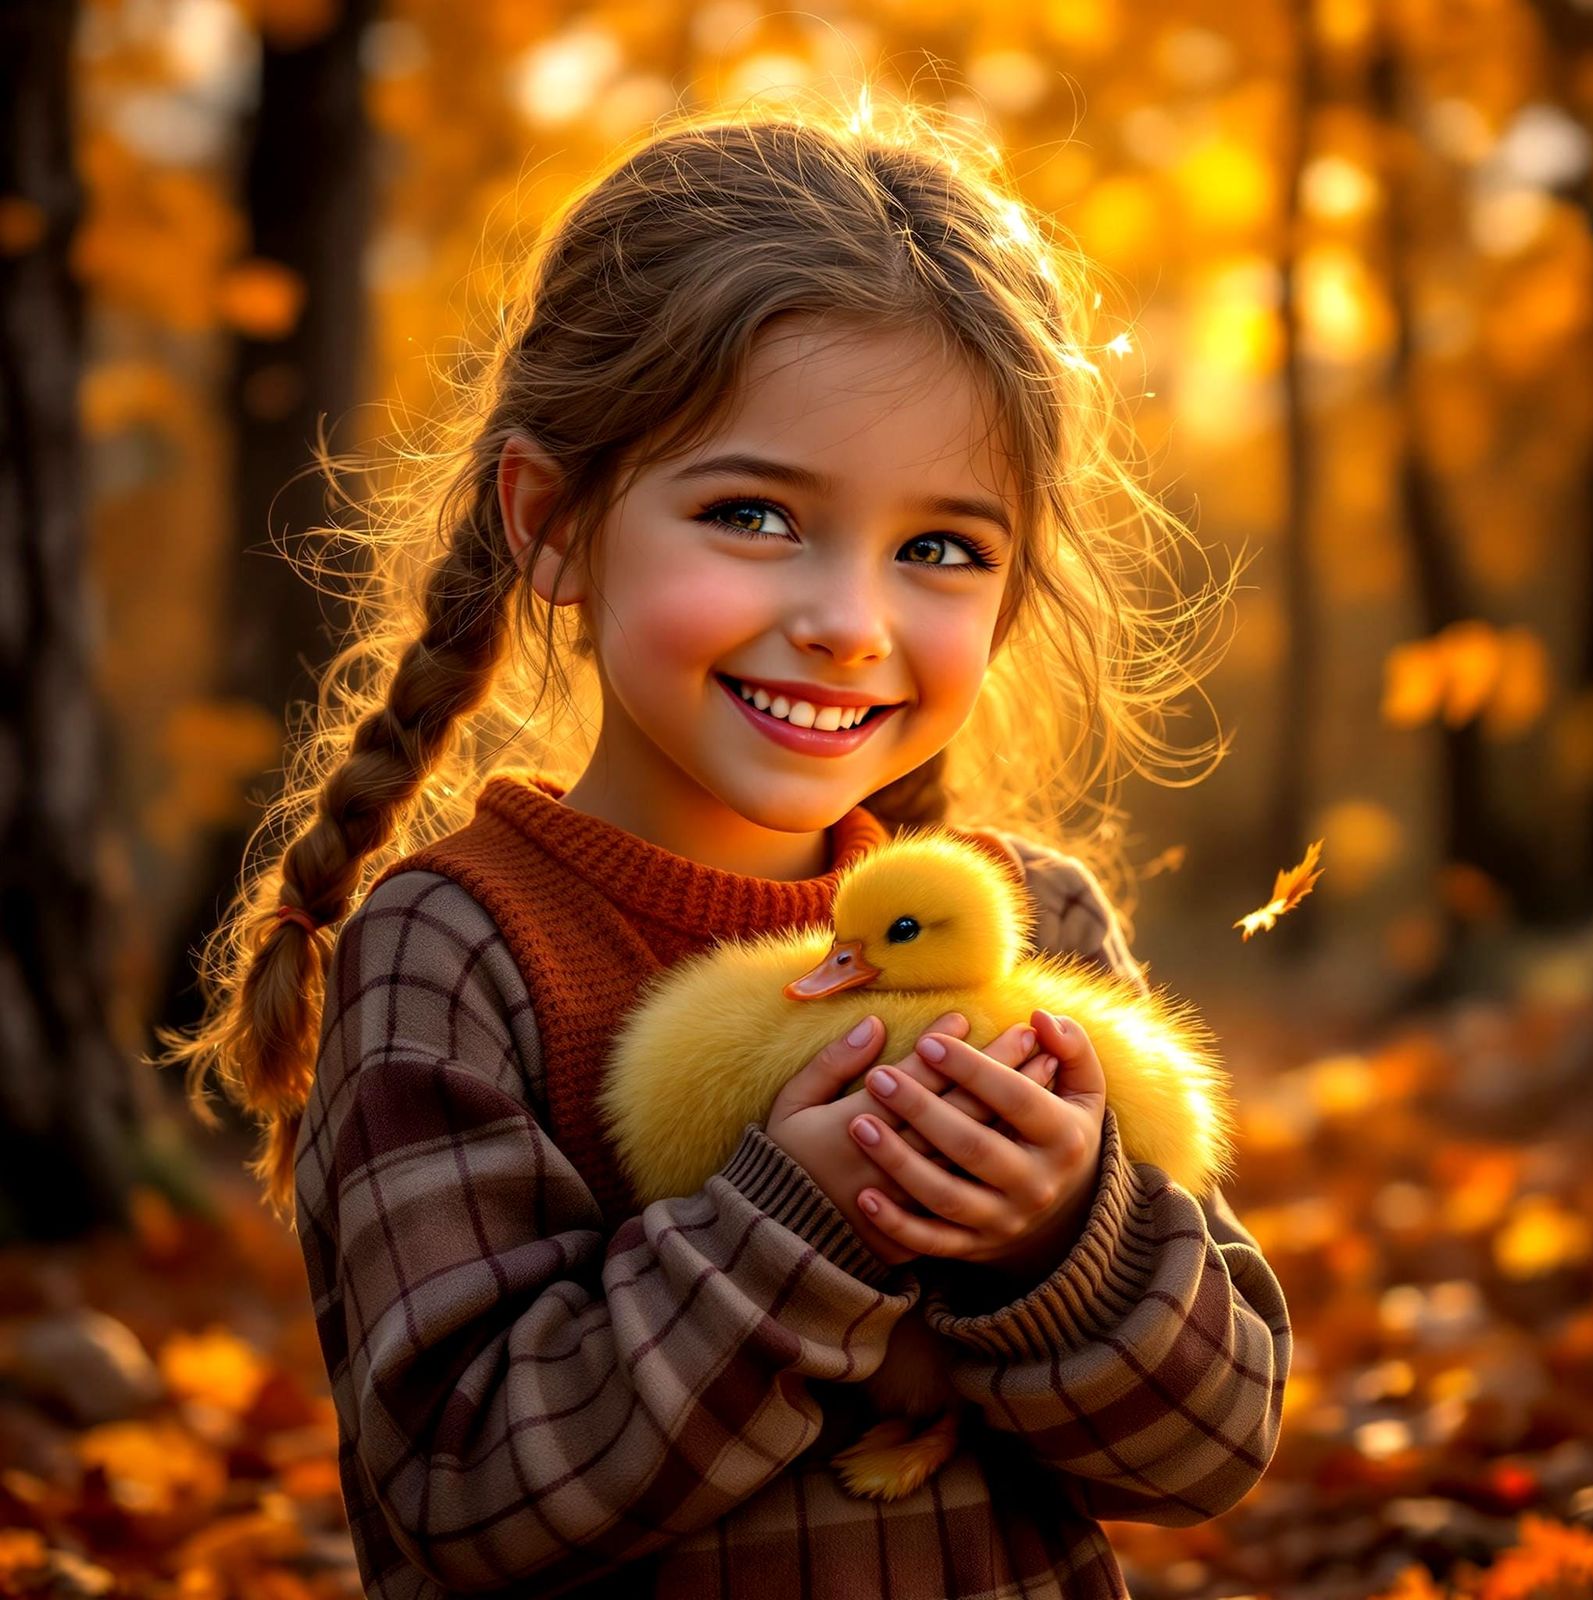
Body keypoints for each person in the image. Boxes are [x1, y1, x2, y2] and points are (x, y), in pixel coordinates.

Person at [162, 98, 1290, 1600]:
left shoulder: (1036, 936)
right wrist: (790, 1226)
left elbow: (1211, 1449)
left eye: (940, 549)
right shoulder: (455, 953)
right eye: (754, 514)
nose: (849, 622)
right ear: (553, 524)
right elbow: (465, 1493)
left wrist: (1057, 1240)